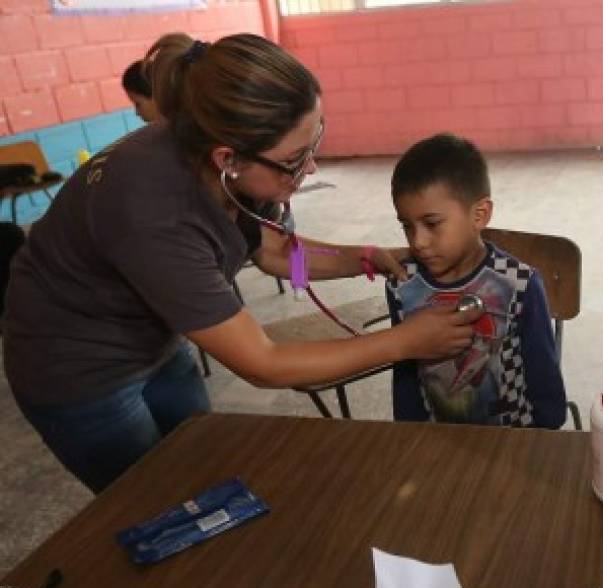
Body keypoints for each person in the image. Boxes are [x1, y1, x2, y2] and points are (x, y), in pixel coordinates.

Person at [2, 33, 478, 493]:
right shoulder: (155, 212)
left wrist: (364, 258)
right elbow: (263, 363)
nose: (310, 167)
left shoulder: (235, 167)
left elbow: (272, 251)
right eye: (296, 158)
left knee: (205, 465)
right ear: (228, 159)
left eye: (315, 140)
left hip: (153, 342)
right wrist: (404, 342)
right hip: (76, 367)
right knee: (151, 504)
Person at [385, 134, 566, 428]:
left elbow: (544, 379)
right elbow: (404, 372)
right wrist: (410, 435)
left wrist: (541, 440)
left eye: (432, 224)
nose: (417, 241)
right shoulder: (403, 285)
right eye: (407, 226)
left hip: (514, 442)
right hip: (437, 445)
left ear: (479, 215)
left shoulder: (519, 283)